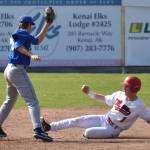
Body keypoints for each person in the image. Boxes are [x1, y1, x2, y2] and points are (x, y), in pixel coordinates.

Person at [0, 7, 55, 141]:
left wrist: (47, 24)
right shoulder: (22, 33)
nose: (32, 28)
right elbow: (19, 47)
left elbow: (37, 41)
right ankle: (38, 130)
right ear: (29, 25)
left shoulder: (20, 33)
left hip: (9, 70)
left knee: (9, 100)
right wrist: (31, 54)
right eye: (32, 25)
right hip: (17, 70)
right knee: (33, 101)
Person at [40, 76, 150, 139]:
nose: (123, 87)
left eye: (125, 86)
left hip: (112, 129)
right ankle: (50, 127)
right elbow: (104, 98)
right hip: (103, 118)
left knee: (88, 133)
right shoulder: (119, 94)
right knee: (78, 120)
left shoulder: (139, 106)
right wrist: (89, 93)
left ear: (129, 88)